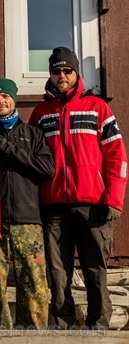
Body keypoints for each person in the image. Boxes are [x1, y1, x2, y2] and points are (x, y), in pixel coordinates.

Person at [29, 47, 127, 329]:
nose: (62, 75)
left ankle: (98, 326)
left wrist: (114, 199)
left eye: (67, 71)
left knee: (95, 268)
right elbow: (34, 160)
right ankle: (62, 325)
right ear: (50, 74)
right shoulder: (40, 113)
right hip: (54, 207)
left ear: (76, 73)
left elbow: (117, 157)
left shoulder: (98, 108)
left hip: (93, 205)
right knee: (58, 273)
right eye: (57, 71)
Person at [0, 78, 54, 329]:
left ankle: (33, 336)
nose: (0, 101)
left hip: (27, 223)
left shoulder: (34, 134)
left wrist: (11, 150)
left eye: (5, 96)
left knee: (34, 285)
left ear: (14, 99)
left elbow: (47, 169)